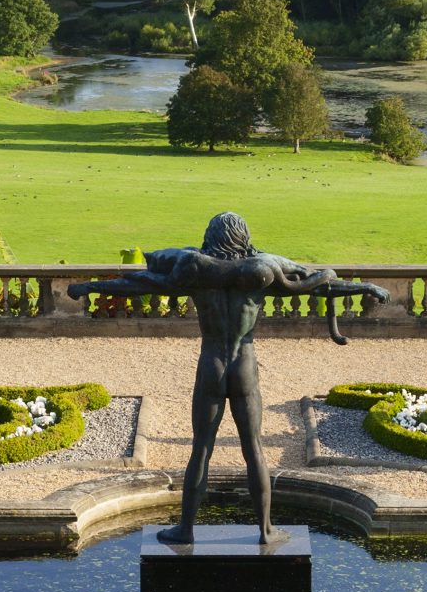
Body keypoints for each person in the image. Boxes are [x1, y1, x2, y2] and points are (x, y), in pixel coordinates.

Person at [68, 213, 387, 543]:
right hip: (244, 364)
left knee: (201, 450)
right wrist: (366, 287)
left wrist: (89, 286)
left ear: (211, 236)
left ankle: (186, 530)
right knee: (254, 449)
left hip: (212, 364)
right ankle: (265, 531)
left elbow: (141, 284)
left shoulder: (194, 269)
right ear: (243, 236)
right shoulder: (263, 270)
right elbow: (322, 285)